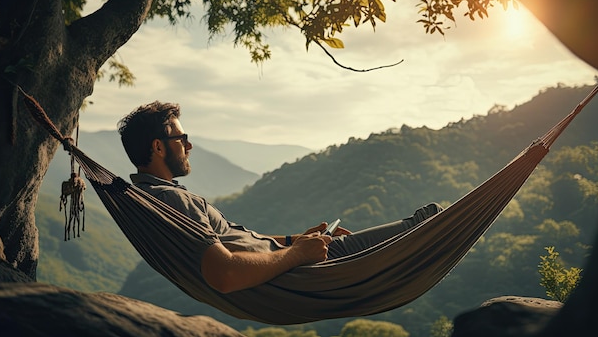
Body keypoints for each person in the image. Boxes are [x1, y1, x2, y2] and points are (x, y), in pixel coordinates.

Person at [117, 101, 443, 294]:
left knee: (428, 223)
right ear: (158, 147)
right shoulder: (172, 201)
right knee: (431, 220)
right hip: (296, 274)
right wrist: (297, 254)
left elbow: (232, 242)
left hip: (287, 262)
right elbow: (226, 273)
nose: (188, 146)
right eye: (181, 137)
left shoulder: (149, 196)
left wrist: (293, 240)